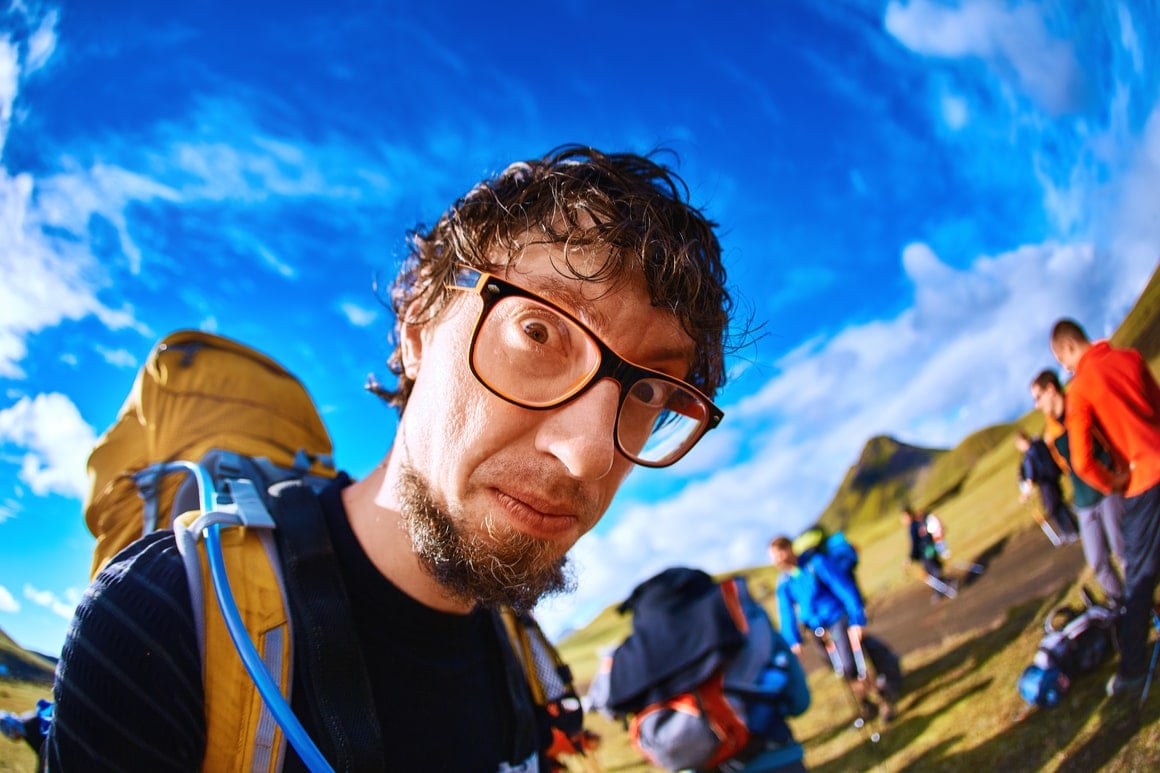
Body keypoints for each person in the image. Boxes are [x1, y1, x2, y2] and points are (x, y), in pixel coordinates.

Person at [44, 145, 737, 770]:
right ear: (415, 332)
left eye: (649, 390)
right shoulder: (162, 619)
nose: (587, 454)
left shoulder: (518, 649)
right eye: (537, 331)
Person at [1050, 318, 1160, 699]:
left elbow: (1081, 461)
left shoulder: (1079, 388)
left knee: (1139, 579)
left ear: (1066, 349)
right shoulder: (1129, 358)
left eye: (1061, 359)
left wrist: (1112, 482)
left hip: (1142, 482)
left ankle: (1131, 673)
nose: (1064, 366)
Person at [769, 535, 894, 722]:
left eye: (779, 554)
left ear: (789, 549)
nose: (777, 560)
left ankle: (884, 700)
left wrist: (856, 620)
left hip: (837, 619)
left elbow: (843, 587)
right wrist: (793, 641)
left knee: (851, 665)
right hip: (817, 631)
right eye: (774, 557)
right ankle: (865, 703)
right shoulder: (785, 583)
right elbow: (786, 614)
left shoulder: (815, 564)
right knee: (840, 670)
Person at [1030, 368, 1126, 608]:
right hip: (1084, 501)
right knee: (1097, 562)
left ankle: (1143, 602)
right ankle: (1121, 605)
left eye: (1038, 397)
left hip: (1108, 490)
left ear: (1051, 390)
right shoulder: (1051, 434)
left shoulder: (1081, 407)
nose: (1037, 405)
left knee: (1123, 552)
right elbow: (1063, 466)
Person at [1014, 429, 1081, 545]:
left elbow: (1030, 477)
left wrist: (1025, 495)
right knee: (1058, 504)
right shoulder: (1038, 444)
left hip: (1047, 483)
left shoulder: (1030, 455)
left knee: (1053, 508)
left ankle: (1069, 531)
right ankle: (1072, 529)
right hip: (1053, 478)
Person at [900, 507, 955, 601]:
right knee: (931, 573)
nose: (903, 520)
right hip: (928, 549)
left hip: (926, 551)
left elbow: (915, 543)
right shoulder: (918, 522)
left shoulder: (914, 526)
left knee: (932, 573)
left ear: (908, 516)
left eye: (904, 518)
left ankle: (949, 583)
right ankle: (942, 589)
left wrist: (910, 558)